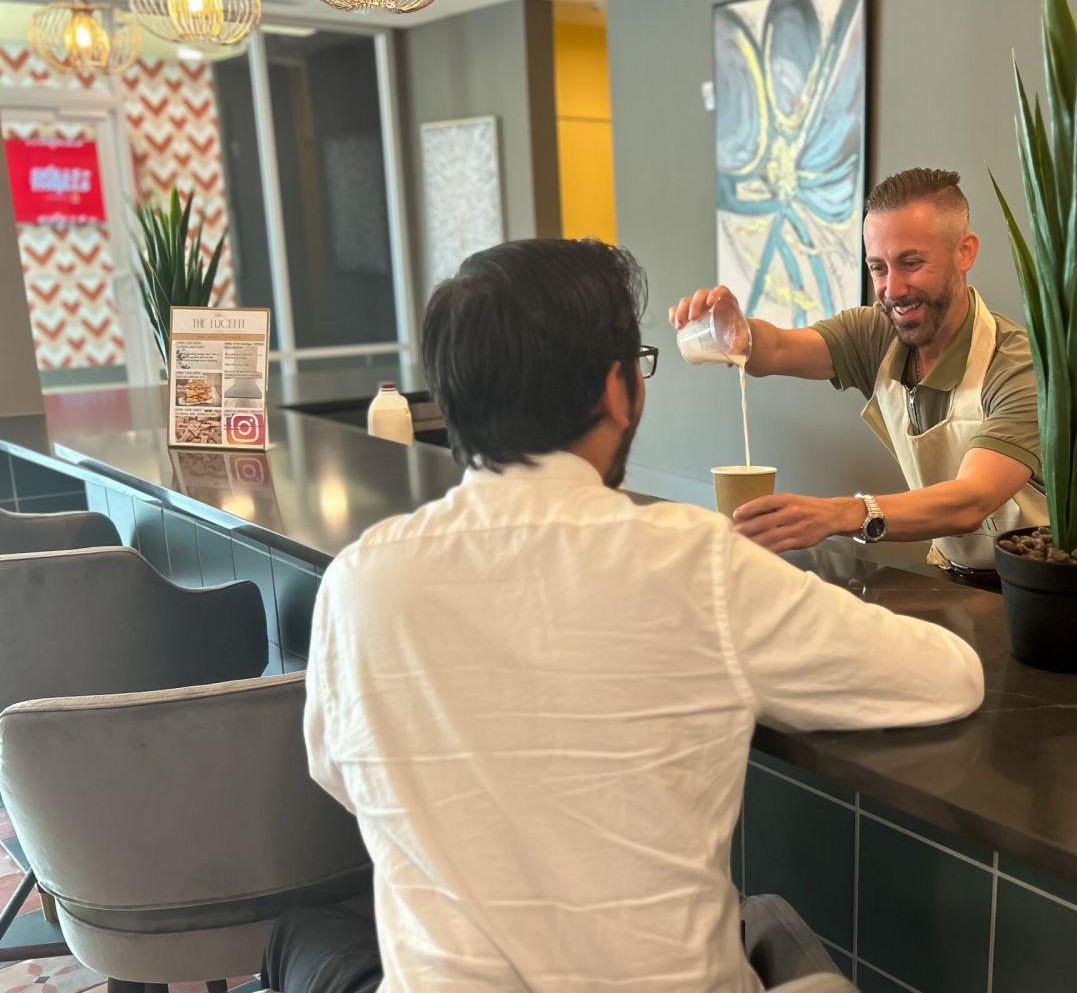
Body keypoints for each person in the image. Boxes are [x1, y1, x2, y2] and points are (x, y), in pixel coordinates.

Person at [262, 238, 984, 993]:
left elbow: (339, 773)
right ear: (617, 390)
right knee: (779, 932)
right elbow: (949, 678)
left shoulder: (359, 584)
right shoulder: (697, 564)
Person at [670, 167, 1047, 577]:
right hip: (949, 572)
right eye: (878, 267)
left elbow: (972, 499)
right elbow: (774, 348)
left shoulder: (1017, 362)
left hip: (1038, 585)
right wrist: (732, 331)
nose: (893, 289)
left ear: (965, 251)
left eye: (911, 262)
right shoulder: (875, 335)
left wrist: (838, 514)